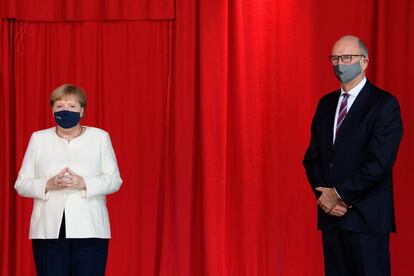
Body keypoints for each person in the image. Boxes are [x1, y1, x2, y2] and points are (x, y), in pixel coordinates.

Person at [303, 35, 403, 276]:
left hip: (366, 218)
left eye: (347, 57)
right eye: (335, 58)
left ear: (365, 61)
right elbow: (312, 157)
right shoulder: (326, 104)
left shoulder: (384, 104)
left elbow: (379, 163)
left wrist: (339, 195)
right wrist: (325, 199)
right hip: (332, 219)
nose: (340, 64)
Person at [15, 84, 122, 276]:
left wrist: (84, 183)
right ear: (52, 110)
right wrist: (48, 184)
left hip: (90, 229)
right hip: (48, 231)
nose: (65, 110)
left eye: (72, 106)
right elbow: (21, 184)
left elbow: (114, 180)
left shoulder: (100, 138)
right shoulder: (38, 139)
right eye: (59, 106)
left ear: (82, 110)